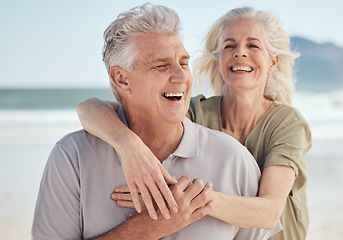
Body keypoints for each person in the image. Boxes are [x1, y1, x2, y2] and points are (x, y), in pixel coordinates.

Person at [32, 3, 281, 240]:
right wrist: (146, 228)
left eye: (184, 63)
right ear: (121, 79)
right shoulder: (72, 157)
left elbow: (268, 215)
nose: (182, 76)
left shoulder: (235, 161)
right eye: (162, 65)